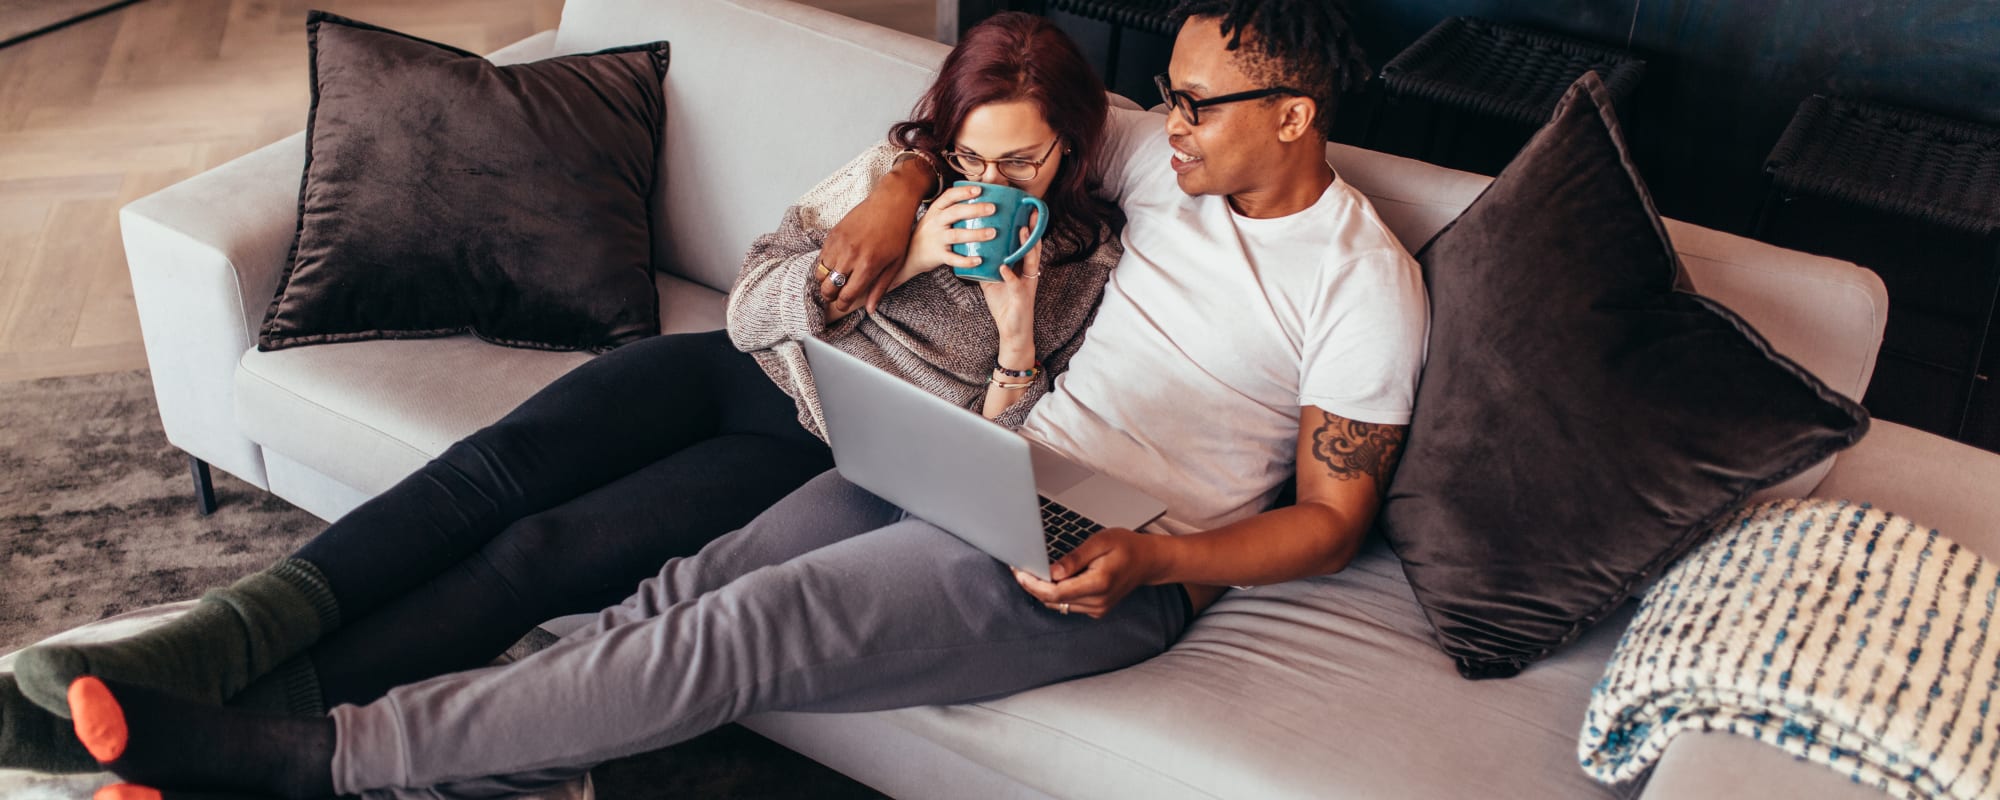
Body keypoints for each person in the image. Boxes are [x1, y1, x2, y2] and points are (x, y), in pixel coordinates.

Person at [53, 0, 1430, 797]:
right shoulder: (1164, 173)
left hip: (1121, 563)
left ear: (1294, 114)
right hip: (983, 464)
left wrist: (1163, 556)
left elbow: (1330, 521)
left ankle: (312, 762)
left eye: (1199, 104)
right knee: (674, 599)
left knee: (748, 629)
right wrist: (899, 196)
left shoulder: (1364, 284)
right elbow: (991, 128)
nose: (1168, 121)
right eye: (1171, 99)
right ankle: (448, 762)